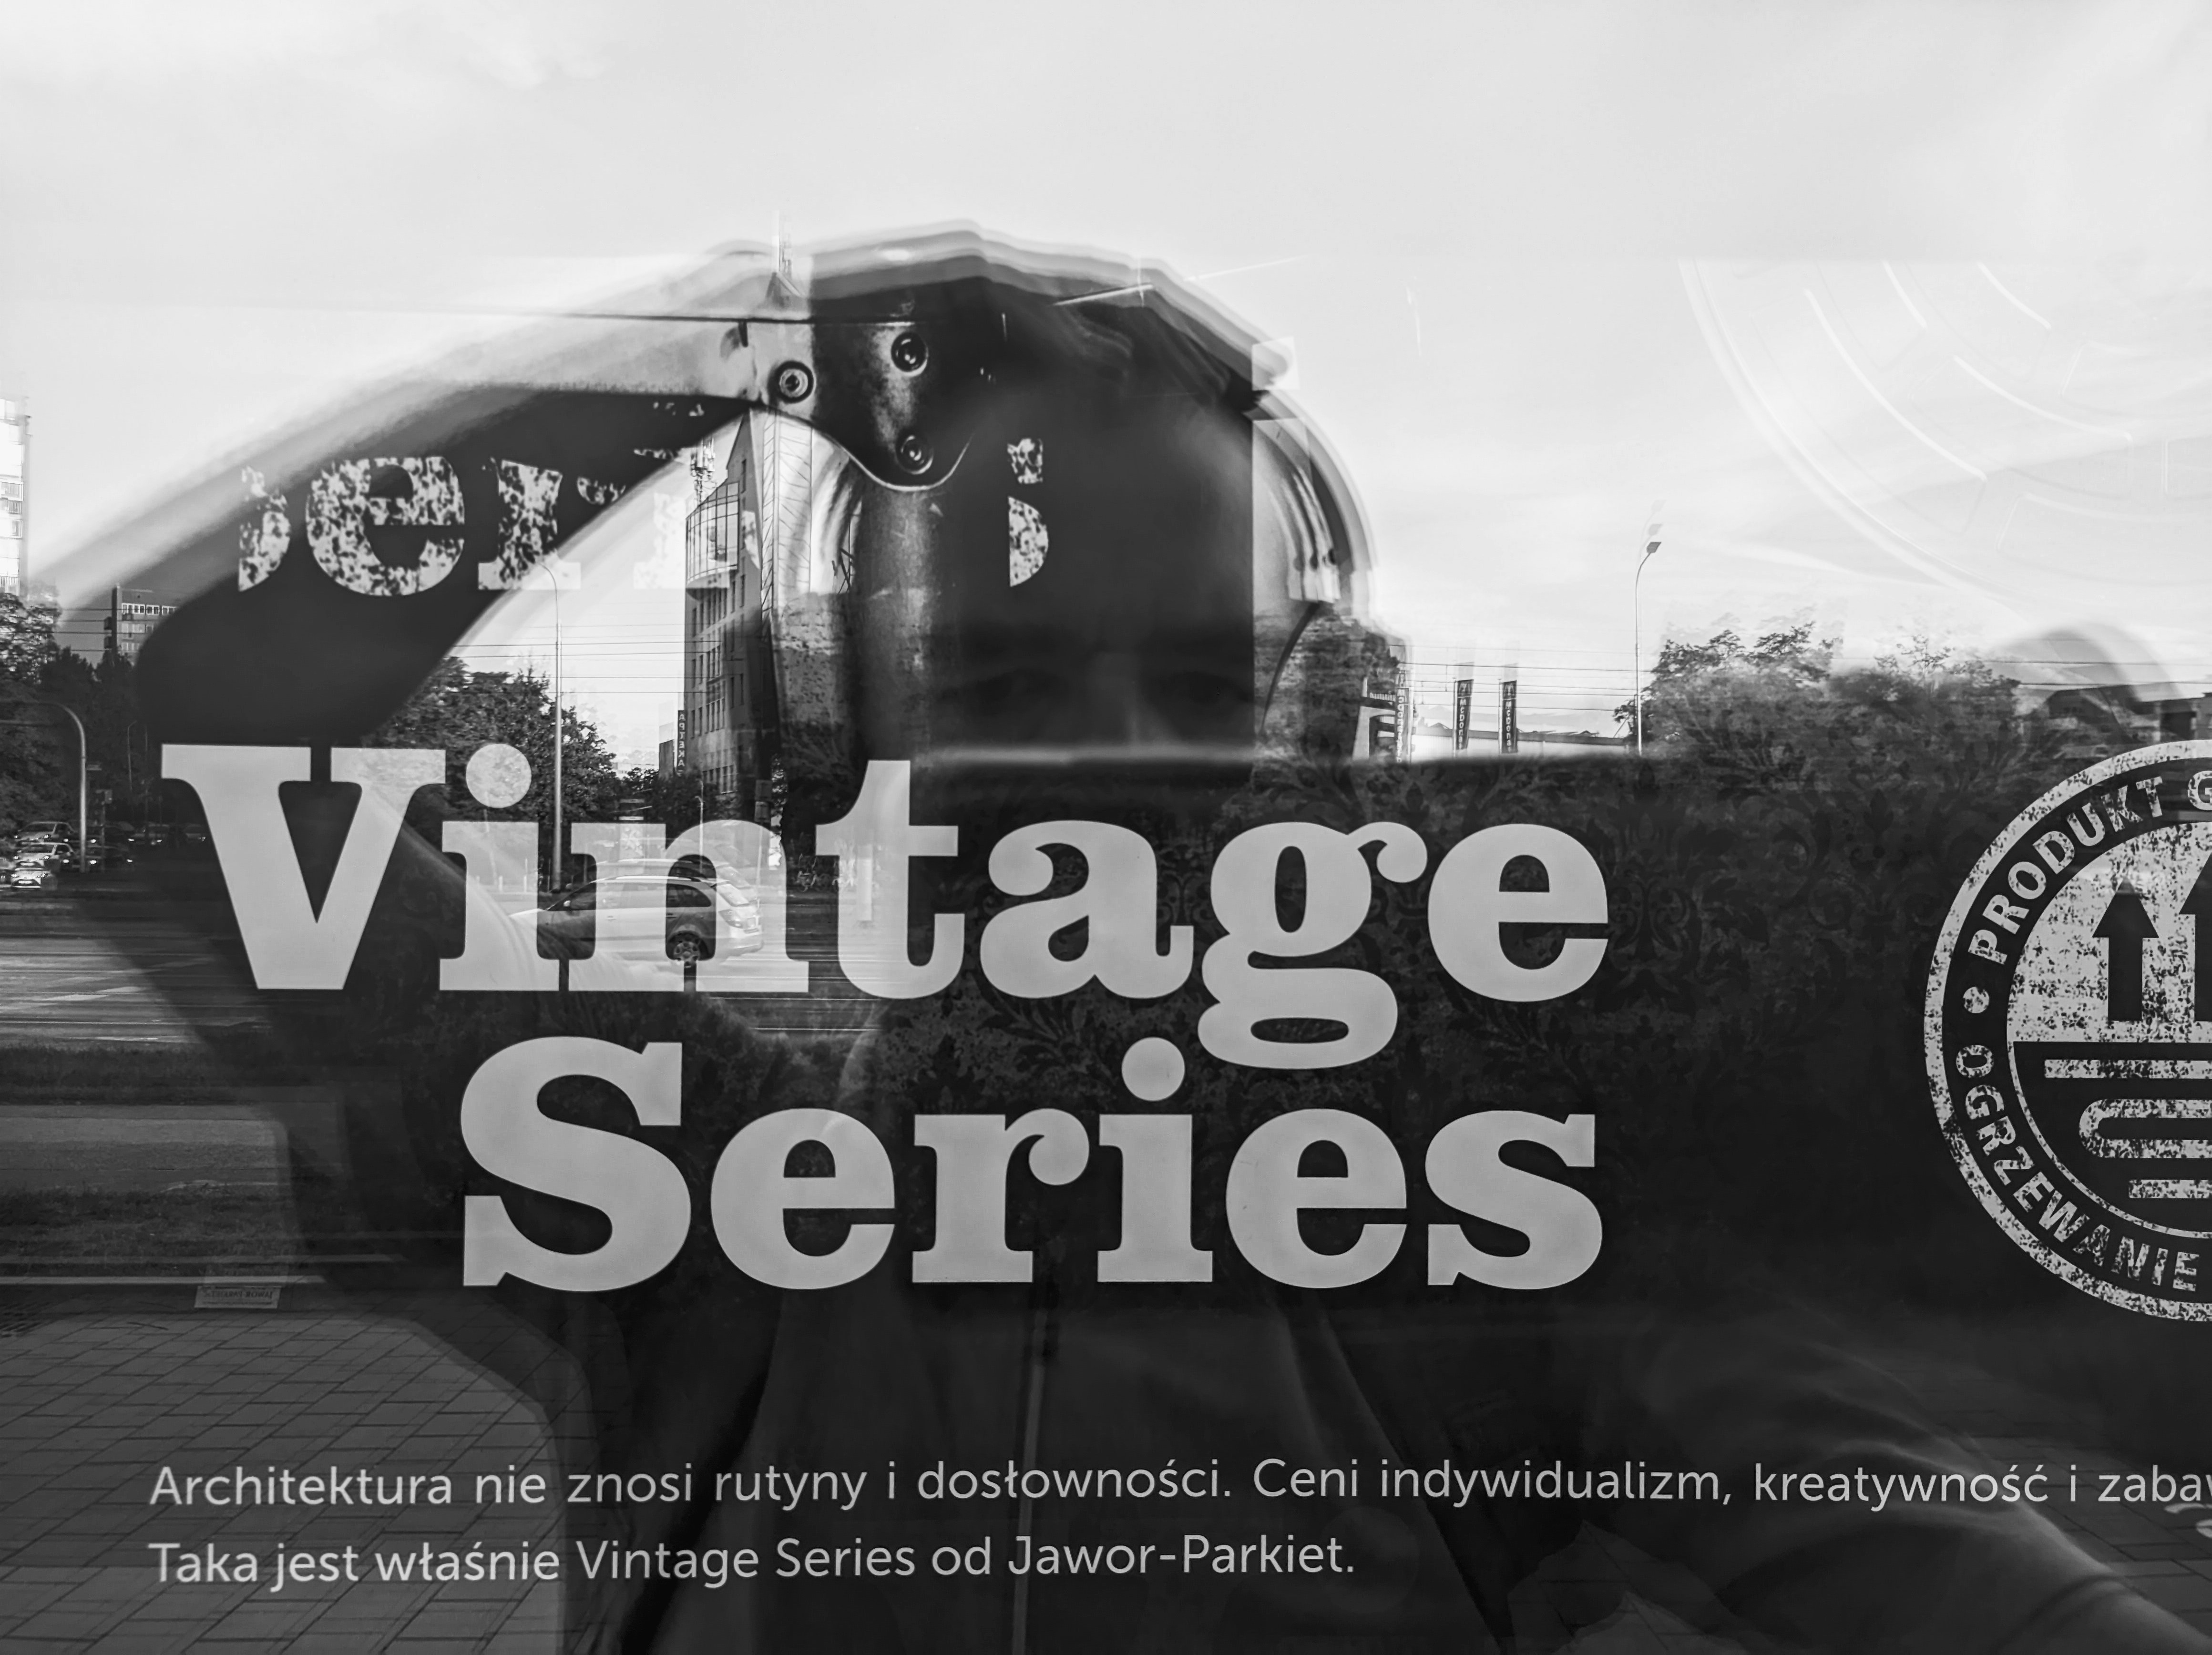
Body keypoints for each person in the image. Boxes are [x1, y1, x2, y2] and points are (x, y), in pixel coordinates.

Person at [117, 230, 2210, 1652]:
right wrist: (757, 332)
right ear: (833, 724)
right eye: (1014, 678)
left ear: (1305, 732)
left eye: (1196, 680)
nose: (1118, 771)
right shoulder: (659, 1172)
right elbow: (169, 715)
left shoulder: (1489, 1266)